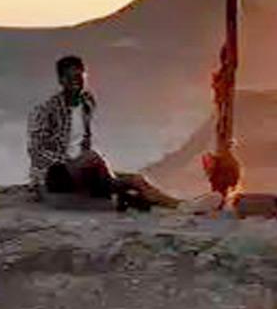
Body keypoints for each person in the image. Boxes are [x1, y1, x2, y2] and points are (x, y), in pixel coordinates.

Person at [27, 55, 179, 210]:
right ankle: (125, 194)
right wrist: (71, 162)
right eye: (70, 77)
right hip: (57, 174)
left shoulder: (87, 102)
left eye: (79, 76)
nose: (76, 81)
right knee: (93, 158)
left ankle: (177, 206)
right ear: (61, 80)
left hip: (83, 169)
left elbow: (84, 140)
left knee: (137, 180)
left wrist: (86, 165)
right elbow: (36, 151)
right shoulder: (46, 110)